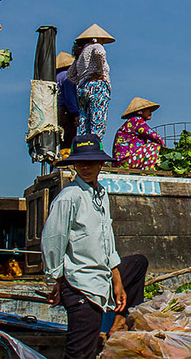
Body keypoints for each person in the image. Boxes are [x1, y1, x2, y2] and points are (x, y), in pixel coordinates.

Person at [42, 134, 148, 359]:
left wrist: (117, 279)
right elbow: (53, 241)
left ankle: (118, 324)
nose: (86, 167)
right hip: (81, 285)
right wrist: (55, 281)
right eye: (81, 162)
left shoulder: (100, 194)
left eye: (91, 162)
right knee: (80, 354)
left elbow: (107, 238)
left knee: (138, 263)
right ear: (74, 165)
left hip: (102, 277)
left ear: (101, 164)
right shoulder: (69, 197)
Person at [67, 24, 114, 138]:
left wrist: (82, 80)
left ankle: (83, 143)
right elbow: (100, 53)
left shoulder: (81, 53)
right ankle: (95, 143)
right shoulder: (96, 46)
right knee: (98, 116)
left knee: (84, 118)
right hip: (97, 87)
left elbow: (70, 75)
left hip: (83, 87)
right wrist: (100, 72)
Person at [112, 97, 165, 170]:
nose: (150, 113)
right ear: (140, 112)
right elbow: (154, 136)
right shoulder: (136, 121)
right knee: (154, 146)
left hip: (121, 161)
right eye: (148, 110)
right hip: (125, 161)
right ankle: (148, 171)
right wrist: (163, 147)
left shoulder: (132, 122)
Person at [56, 51, 79, 156]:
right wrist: (75, 114)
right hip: (66, 111)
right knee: (68, 140)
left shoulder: (56, 77)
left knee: (60, 140)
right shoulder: (67, 77)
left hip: (57, 110)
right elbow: (70, 98)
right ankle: (66, 162)